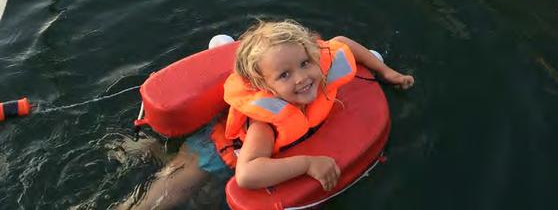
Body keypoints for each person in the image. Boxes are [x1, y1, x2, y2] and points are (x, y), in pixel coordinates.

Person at [120, 20, 414, 209]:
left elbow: (343, 44)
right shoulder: (265, 123)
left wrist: (387, 73)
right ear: (265, 86)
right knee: (159, 201)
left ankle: (144, 151)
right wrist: (307, 163)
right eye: (285, 74)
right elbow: (248, 174)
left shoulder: (319, 66)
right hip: (212, 156)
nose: (302, 78)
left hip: (231, 153)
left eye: (304, 63)